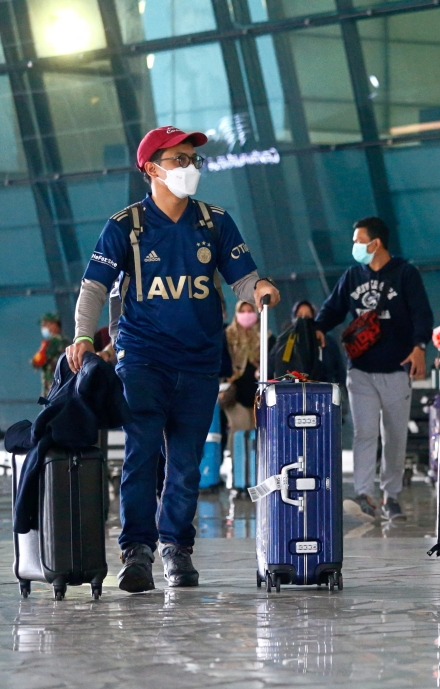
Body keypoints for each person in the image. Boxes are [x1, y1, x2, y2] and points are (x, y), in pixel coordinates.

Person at [66, 126, 280, 593]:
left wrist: (259, 288)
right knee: (143, 456)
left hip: (201, 362)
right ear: (151, 168)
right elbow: (94, 288)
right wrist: (83, 335)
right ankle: (137, 551)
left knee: (184, 464)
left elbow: (243, 277)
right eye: (179, 158)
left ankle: (175, 548)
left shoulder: (215, 222)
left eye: (193, 159)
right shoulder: (126, 225)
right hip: (143, 358)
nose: (189, 167)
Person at [314, 216, 433, 522]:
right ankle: (364, 493)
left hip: (396, 369)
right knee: (365, 432)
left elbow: (422, 313)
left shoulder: (405, 274)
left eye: (358, 240)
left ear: (375, 243)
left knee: (394, 436)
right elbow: (332, 309)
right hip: (360, 370)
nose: (354, 246)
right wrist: (315, 329)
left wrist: (420, 347)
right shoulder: (352, 276)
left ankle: (391, 496)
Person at [222, 301, 263, 453]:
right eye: (242, 311)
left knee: (257, 431)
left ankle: (252, 470)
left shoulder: (264, 336)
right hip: (235, 395)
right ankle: (237, 467)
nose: (246, 314)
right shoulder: (228, 336)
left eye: (249, 311)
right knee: (240, 428)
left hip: (257, 396)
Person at [30, 313, 70, 394]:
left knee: (46, 403)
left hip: (53, 387)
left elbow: (37, 361)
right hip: (64, 386)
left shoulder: (54, 341)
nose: (43, 328)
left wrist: (34, 360)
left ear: (54, 325)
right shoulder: (66, 341)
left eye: (45, 325)